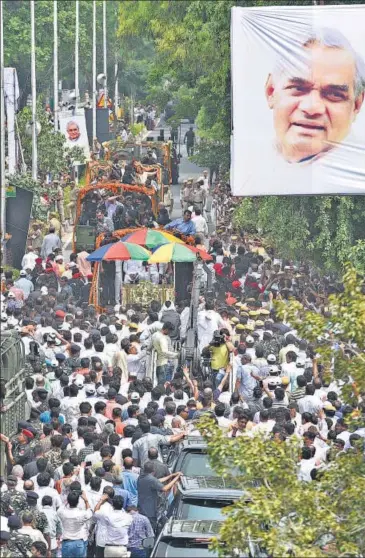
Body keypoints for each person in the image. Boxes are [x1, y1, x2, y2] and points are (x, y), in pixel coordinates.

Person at [137, 463, 182, 531]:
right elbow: (164, 488)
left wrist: (172, 475)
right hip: (150, 512)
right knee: (150, 531)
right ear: (153, 471)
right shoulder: (151, 479)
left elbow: (158, 480)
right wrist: (176, 478)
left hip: (141, 509)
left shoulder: (141, 477)